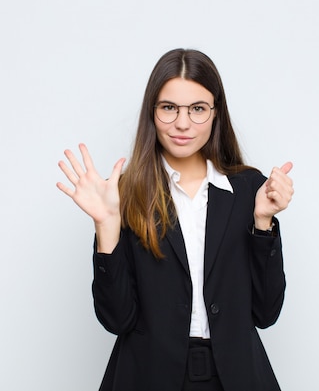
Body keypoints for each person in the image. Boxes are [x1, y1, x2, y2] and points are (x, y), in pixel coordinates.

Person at [57, 48, 294, 391]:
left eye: (197, 109)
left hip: (235, 376)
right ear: (152, 113)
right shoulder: (123, 193)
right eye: (169, 108)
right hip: (148, 376)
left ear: (215, 113)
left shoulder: (250, 190)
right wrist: (106, 226)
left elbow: (266, 313)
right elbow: (116, 318)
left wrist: (263, 223)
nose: (182, 123)